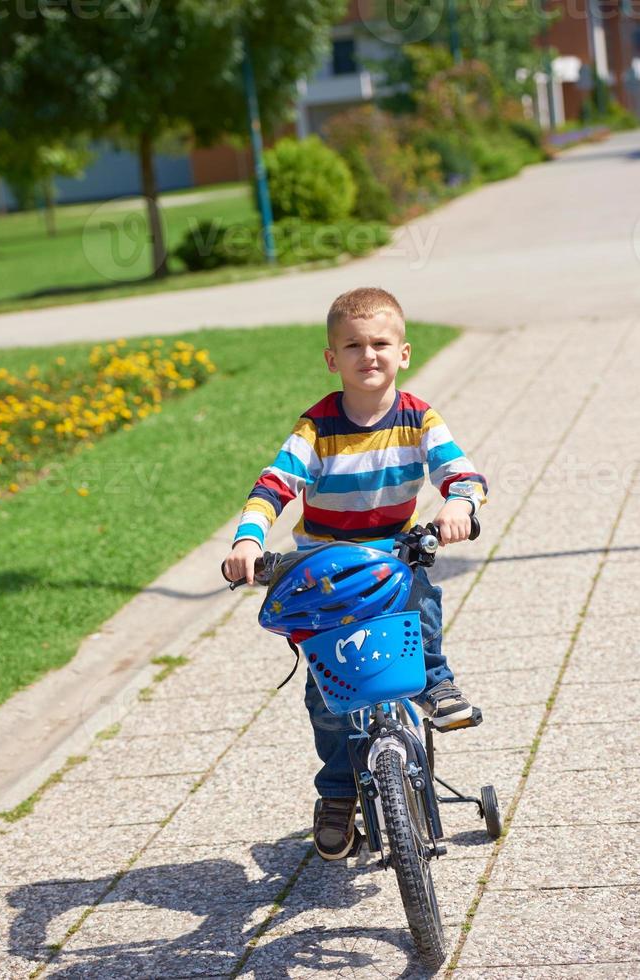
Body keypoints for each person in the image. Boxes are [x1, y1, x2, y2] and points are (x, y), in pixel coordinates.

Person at [223, 287, 487, 861]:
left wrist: (458, 506)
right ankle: (339, 794)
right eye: (352, 345)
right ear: (331, 359)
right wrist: (249, 538)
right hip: (326, 571)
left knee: (421, 595)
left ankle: (433, 679)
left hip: (393, 557)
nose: (368, 355)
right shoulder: (316, 428)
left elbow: (462, 473)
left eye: (380, 343)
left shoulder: (419, 419)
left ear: (405, 352)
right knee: (327, 696)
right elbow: (275, 484)